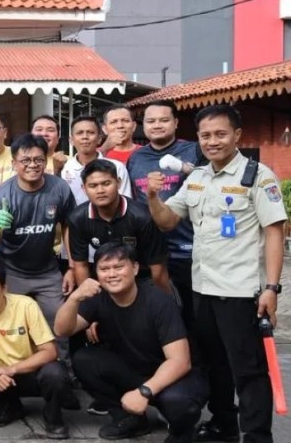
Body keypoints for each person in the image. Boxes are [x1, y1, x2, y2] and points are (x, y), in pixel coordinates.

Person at [146, 104, 285, 443]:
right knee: (214, 365)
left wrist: (271, 288)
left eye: (220, 134)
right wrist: (152, 196)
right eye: (205, 135)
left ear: (237, 135)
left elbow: (275, 232)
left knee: (248, 371)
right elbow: (168, 220)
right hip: (202, 289)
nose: (213, 141)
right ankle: (224, 425)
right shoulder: (197, 177)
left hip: (240, 292)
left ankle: (256, 435)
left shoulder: (258, 176)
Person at [55, 242, 207, 442]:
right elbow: (62, 329)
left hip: (177, 376)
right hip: (135, 370)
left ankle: (182, 432)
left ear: (135, 268)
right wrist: (75, 298)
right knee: (84, 359)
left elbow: (180, 361)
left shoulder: (158, 301)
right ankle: (130, 419)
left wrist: (144, 392)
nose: (112, 274)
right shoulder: (98, 297)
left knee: (178, 402)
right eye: (104, 269)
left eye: (119, 267)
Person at [0, 263, 72, 440]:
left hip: (29, 372)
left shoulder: (26, 305)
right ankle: (8, 410)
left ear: (4, 288)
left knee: (55, 373)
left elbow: (50, 351)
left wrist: (11, 369)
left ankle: (54, 419)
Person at [0, 134, 76, 341]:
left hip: (48, 272)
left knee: (59, 323)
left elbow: (69, 226)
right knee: (14, 328)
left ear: (46, 160)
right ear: (14, 163)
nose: (32, 165)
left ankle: (63, 368)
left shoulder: (59, 188)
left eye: (38, 160)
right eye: (25, 160)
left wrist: (71, 267)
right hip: (11, 272)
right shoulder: (3, 195)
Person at [127, 100, 201, 327]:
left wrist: (187, 169)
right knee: (159, 317)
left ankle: (197, 362)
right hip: (149, 252)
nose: (157, 125)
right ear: (143, 125)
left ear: (176, 122)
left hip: (188, 250)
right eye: (151, 121)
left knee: (193, 316)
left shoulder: (194, 150)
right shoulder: (136, 158)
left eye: (164, 120)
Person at [67, 159, 170, 294]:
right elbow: (81, 265)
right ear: (84, 189)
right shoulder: (77, 218)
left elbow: (158, 268)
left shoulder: (143, 216)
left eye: (106, 183)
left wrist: (162, 302)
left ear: (119, 183)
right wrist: (87, 300)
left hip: (142, 279)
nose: (100, 190)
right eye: (93, 186)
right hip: (104, 279)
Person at [61, 116, 132, 204]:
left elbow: (125, 202)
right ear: (71, 140)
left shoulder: (117, 167)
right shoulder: (64, 169)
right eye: (79, 133)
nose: (85, 137)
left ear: (99, 139)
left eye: (90, 132)